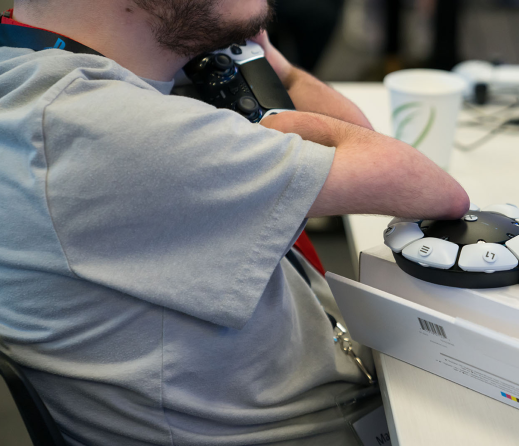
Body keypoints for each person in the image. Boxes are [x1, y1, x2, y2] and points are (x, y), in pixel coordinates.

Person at [0, 0, 469, 445]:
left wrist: (269, 69)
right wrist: (268, 116)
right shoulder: (106, 126)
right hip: (311, 429)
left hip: (312, 387)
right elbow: (430, 190)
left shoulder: (37, 72)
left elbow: (365, 144)